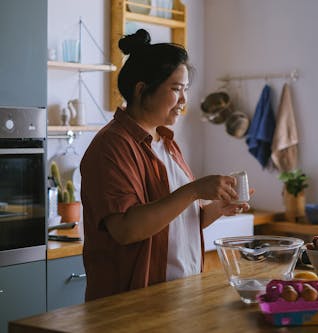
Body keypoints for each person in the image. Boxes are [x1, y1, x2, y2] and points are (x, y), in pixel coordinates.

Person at [80, 29, 250, 301]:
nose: (184, 101)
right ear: (141, 90)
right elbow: (126, 229)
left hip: (179, 296)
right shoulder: (111, 147)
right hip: (131, 305)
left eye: (185, 91)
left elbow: (177, 221)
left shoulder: (167, 143)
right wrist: (194, 190)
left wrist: (218, 208)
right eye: (175, 89)